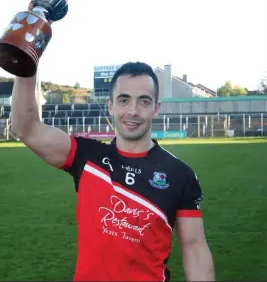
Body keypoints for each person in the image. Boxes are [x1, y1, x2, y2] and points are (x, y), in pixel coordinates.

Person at [11, 61, 215, 281]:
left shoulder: (178, 174)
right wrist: (26, 67)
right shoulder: (86, 156)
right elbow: (26, 129)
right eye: (124, 100)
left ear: (156, 108)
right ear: (110, 105)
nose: (133, 111)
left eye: (144, 101)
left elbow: (195, 250)